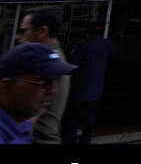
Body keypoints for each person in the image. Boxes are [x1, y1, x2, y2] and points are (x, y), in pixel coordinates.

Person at [0, 42, 77, 145]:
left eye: (56, 80)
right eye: (44, 82)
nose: (53, 90)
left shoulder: (22, 123)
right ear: (6, 86)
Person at [17, 8, 70, 144]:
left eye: (24, 31)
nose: (18, 37)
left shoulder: (46, 62)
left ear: (42, 32)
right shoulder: (53, 57)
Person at [62, 25, 115, 145]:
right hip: (96, 91)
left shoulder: (84, 48)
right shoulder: (108, 46)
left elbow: (71, 64)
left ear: (87, 35)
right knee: (88, 122)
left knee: (72, 121)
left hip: (79, 90)